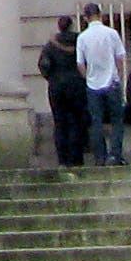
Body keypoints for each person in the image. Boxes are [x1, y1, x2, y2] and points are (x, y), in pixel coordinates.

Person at [75, 4, 129, 167]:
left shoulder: (82, 37)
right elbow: (120, 57)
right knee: (117, 120)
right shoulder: (111, 33)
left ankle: (100, 157)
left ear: (85, 17)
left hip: (93, 85)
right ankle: (115, 155)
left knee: (96, 121)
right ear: (100, 15)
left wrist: (87, 78)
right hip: (111, 82)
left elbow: (80, 63)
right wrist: (118, 75)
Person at [37, 16, 89, 168]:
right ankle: (77, 158)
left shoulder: (51, 45)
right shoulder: (80, 41)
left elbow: (43, 65)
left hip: (57, 86)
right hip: (77, 85)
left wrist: (52, 78)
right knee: (77, 122)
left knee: (60, 122)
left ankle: (63, 159)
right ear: (71, 26)